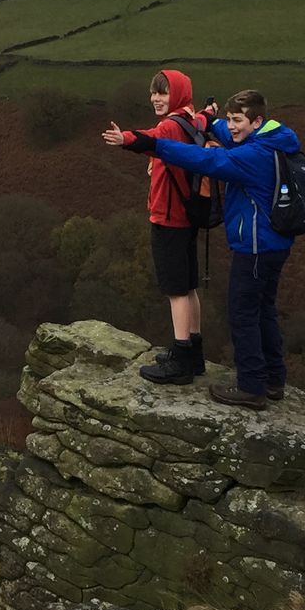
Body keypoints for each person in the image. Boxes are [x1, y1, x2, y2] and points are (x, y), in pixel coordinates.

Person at [104, 88, 298, 408]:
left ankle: (252, 387)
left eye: (238, 120)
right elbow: (220, 129)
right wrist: (209, 117)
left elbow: (206, 160)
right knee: (263, 309)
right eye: (231, 119)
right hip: (274, 243)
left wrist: (153, 145)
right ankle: (274, 380)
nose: (232, 126)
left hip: (256, 246)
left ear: (257, 120)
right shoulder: (274, 138)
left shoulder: (253, 156)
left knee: (243, 312)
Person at [105, 68, 212, 385]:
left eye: (162, 92)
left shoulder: (169, 126)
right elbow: (205, 119)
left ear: (176, 94)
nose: (155, 98)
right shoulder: (191, 120)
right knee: (189, 286)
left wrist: (123, 138)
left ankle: (180, 361)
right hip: (188, 216)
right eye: (153, 92)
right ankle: (193, 352)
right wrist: (210, 110)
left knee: (176, 290)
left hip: (169, 218)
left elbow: (151, 140)